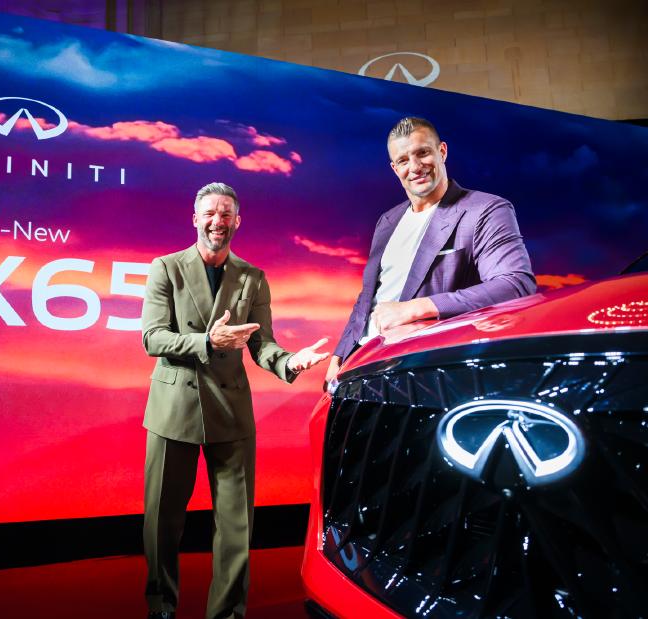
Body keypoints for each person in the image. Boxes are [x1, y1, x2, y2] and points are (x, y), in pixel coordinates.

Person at [141, 182, 329, 619]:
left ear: (237, 221)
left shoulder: (253, 277)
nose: (217, 222)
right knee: (163, 521)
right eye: (210, 213)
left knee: (236, 526)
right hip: (174, 410)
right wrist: (208, 340)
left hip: (232, 413)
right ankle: (161, 605)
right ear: (195, 218)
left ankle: (227, 613)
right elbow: (153, 337)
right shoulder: (165, 268)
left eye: (226, 214)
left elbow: (262, 344)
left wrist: (290, 362)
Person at [325, 116, 536, 385]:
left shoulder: (485, 210)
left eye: (422, 153)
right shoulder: (387, 221)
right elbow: (369, 296)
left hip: (422, 370)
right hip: (362, 364)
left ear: (442, 152)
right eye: (403, 160)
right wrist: (340, 354)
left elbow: (516, 284)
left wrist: (416, 308)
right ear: (394, 168)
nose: (414, 167)